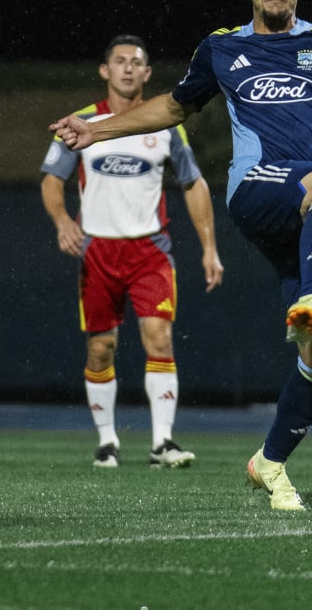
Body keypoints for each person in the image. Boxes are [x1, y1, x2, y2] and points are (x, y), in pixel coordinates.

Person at [50, 0, 312, 511]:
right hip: (258, 186)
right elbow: (173, 106)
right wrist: (98, 129)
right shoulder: (222, 48)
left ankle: (270, 462)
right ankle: (308, 299)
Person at [41, 35, 225, 469]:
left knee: (159, 337)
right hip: (98, 251)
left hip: (150, 250)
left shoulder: (164, 127)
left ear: (147, 73)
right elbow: (52, 179)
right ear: (104, 71)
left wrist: (210, 248)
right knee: (101, 348)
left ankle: (163, 442)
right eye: (119, 62)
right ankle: (107, 443)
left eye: (136, 63)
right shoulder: (82, 122)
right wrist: (63, 221)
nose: (127, 69)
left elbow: (194, 184)